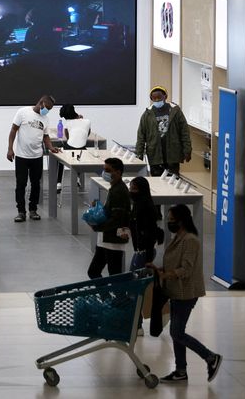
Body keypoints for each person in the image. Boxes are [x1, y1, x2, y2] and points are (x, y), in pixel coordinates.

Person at [147, 204, 222, 383]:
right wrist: (159, 269)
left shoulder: (190, 240)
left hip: (186, 293)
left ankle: (211, 358)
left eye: (172, 220)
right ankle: (181, 371)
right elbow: (175, 263)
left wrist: (168, 274)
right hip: (175, 291)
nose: (169, 222)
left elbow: (186, 269)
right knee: (176, 332)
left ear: (181, 221)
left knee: (178, 332)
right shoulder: (178, 238)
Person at [7, 95, 60, 222]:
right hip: (21, 156)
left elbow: (45, 136)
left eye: (49, 109)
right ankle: (21, 211)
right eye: (47, 108)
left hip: (37, 156)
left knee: (36, 184)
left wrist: (51, 147)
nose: (47, 111)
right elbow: (13, 130)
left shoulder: (45, 119)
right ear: (40, 103)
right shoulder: (23, 112)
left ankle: (33, 209)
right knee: (21, 184)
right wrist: (10, 149)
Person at [128, 176, 162, 335]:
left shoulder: (146, 207)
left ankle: (137, 325)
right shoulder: (138, 204)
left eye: (134, 189)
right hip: (140, 251)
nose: (131, 192)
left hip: (144, 253)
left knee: (135, 287)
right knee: (136, 286)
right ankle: (136, 323)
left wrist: (148, 259)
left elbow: (150, 233)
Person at [87, 157, 130, 278]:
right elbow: (111, 212)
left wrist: (97, 227)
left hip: (112, 241)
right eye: (104, 169)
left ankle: (118, 297)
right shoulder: (114, 188)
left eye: (108, 170)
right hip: (106, 239)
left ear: (118, 172)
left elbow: (117, 219)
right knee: (94, 272)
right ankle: (107, 297)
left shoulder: (119, 191)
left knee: (114, 275)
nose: (104, 173)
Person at [135, 86, 192, 176]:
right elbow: (141, 136)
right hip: (155, 155)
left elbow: (184, 132)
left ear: (165, 96)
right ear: (151, 99)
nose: (157, 100)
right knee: (157, 180)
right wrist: (139, 154)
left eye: (159, 97)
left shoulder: (175, 111)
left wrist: (187, 150)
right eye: (154, 98)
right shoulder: (147, 114)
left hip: (172, 154)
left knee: (173, 180)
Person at [56, 104, 91, 193]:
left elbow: (68, 137)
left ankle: (58, 182)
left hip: (69, 148)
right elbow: (87, 134)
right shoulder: (87, 121)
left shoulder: (68, 123)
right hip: (83, 150)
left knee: (58, 156)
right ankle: (77, 178)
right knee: (79, 155)